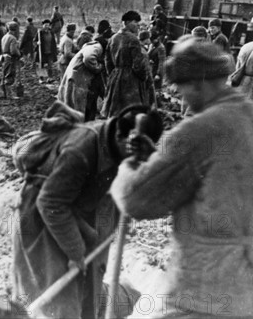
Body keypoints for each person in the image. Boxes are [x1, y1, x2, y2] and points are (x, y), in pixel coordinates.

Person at [110, 39, 253, 318]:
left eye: (182, 87)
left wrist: (131, 166)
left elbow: (137, 199)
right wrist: (156, 159)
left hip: (211, 287)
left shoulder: (199, 129)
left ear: (197, 83)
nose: (181, 97)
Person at [12, 101, 163, 319]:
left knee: (90, 295)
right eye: (131, 152)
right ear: (120, 136)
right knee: (60, 301)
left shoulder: (128, 148)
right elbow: (51, 203)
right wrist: (75, 251)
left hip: (87, 211)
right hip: (44, 217)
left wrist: (148, 162)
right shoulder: (79, 149)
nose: (132, 159)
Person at [102, 11, 151, 118]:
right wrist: (143, 77)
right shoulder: (133, 39)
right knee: (131, 113)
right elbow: (138, 65)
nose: (138, 25)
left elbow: (107, 61)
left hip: (115, 78)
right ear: (127, 22)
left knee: (115, 112)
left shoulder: (113, 38)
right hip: (131, 80)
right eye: (135, 22)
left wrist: (113, 75)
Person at [58, 33, 106, 121]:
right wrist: (99, 67)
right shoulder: (97, 47)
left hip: (76, 78)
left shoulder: (91, 46)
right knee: (79, 109)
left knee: (77, 108)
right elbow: (88, 58)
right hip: (78, 79)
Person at [1, 22, 22, 99]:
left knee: (4, 74)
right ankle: (10, 95)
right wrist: (19, 54)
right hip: (10, 59)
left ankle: (4, 93)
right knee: (10, 75)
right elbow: (13, 51)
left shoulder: (4, 37)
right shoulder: (13, 38)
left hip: (4, 57)